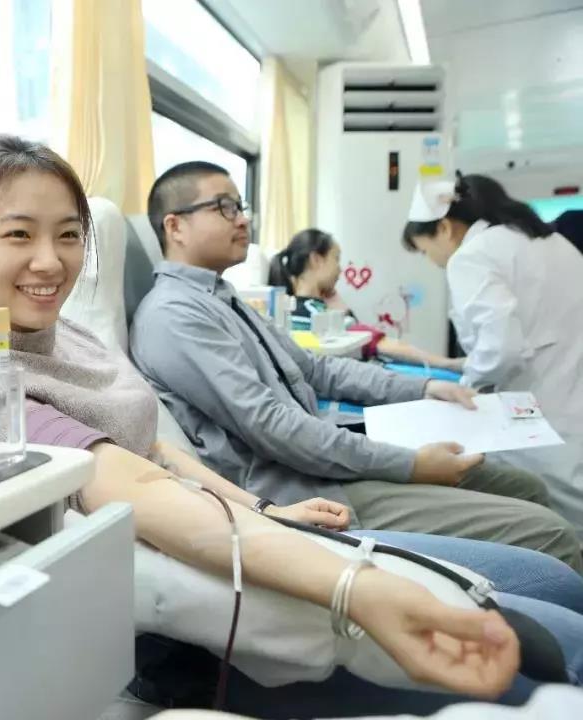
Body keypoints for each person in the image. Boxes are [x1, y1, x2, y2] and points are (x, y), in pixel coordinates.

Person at [0, 135, 583, 713]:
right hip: (200, 619)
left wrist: (263, 508)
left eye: (69, 235)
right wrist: (356, 587)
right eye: (19, 235)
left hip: (247, 526)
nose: (50, 262)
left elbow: (155, 447)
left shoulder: (76, 335)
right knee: (558, 636)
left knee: (551, 582)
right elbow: (145, 489)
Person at [127, 160, 582, 573]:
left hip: (323, 464)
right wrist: (413, 465)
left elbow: (318, 369)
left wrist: (424, 389)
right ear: (175, 226)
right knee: (552, 533)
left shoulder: (223, 299)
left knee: (525, 486)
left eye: (241, 206)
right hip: (307, 490)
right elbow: (273, 427)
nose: (243, 219)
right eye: (225, 207)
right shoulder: (175, 315)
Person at [403, 174, 583, 539]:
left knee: (557, 511)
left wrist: (467, 385)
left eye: (424, 250)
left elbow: (502, 347)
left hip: (541, 404)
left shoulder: (472, 255)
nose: (432, 261)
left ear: (444, 228)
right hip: (569, 385)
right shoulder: (550, 241)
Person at [267, 228, 463, 371]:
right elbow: (380, 344)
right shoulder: (317, 314)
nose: (340, 269)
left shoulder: (289, 311)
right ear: (316, 260)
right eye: (336, 259)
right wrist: (448, 363)